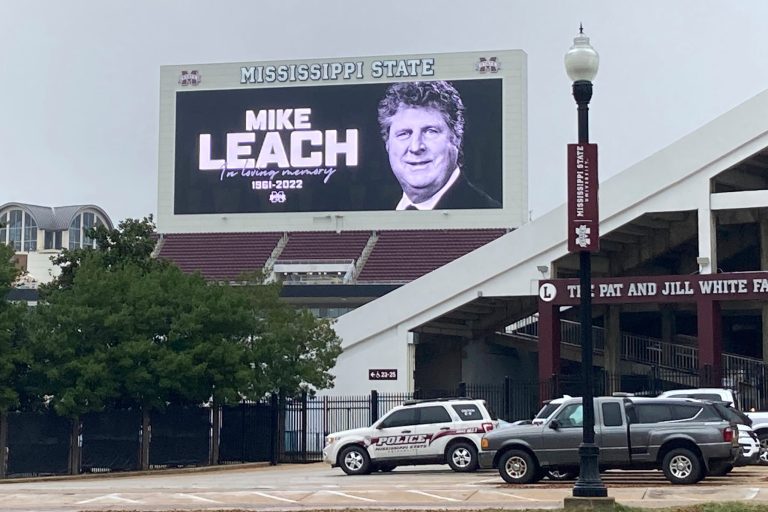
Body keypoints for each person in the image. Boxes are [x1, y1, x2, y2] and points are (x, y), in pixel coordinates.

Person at [377, 80, 501, 210]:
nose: (416, 147)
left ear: (456, 138)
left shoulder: (489, 212)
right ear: (387, 144)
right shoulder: (378, 208)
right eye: (404, 134)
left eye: (431, 131)